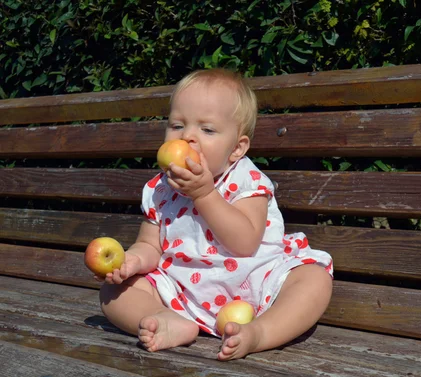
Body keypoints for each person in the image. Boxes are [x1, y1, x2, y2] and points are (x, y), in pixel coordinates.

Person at [98, 68, 333, 361]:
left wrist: (205, 195)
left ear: (237, 148)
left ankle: (259, 333)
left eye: (207, 130)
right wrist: (132, 260)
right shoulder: (161, 188)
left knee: (314, 279)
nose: (187, 138)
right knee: (113, 293)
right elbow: (150, 246)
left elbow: (245, 242)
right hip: (182, 290)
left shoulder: (247, 181)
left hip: (256, 284)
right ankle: (166, 320)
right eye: (177, 125)